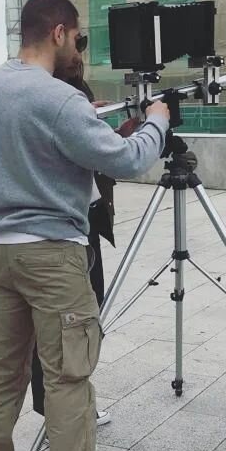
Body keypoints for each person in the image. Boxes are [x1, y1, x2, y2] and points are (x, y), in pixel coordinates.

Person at [0, 0, 169, 451]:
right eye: (78, 37)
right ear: (58, 32)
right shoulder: (58, 99)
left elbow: (20, 158)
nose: (79, 47)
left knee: (0, 369)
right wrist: (158, 120)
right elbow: (128, 159)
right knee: (68, 376)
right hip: (52, 255)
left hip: (0, 252)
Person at [30, 57, 139, 424]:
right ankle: (59, 408)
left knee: (89, 308)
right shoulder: (51, 94)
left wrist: (115, 135)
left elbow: (90, 156)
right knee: (65, 322)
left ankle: (69, 403)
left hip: (87, 217)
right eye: (77, 41)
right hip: (61, 226)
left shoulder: (74, 89)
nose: (81, 54)